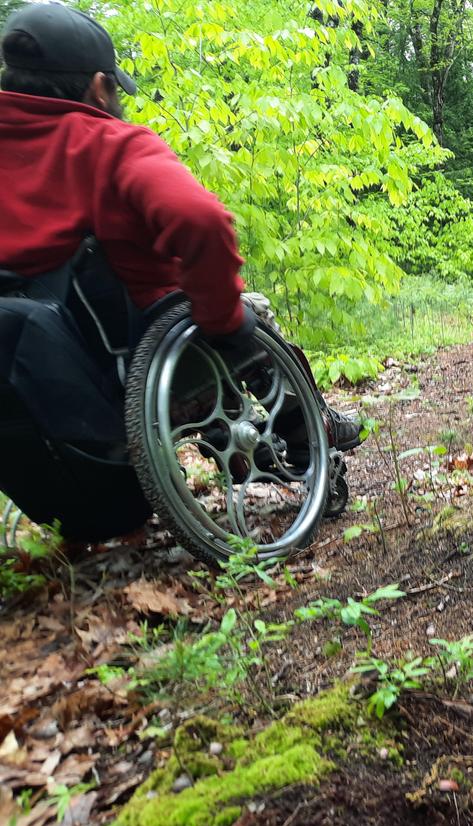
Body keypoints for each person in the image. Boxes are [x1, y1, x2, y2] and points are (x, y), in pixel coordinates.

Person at [0, 2, 362, 538]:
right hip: (141, 361)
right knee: (242, 317)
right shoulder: (111, 145)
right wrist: (222, 316)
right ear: (98, 87)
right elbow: (201, 220)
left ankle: (238, 433)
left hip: (48, 384)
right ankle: (312, 440)